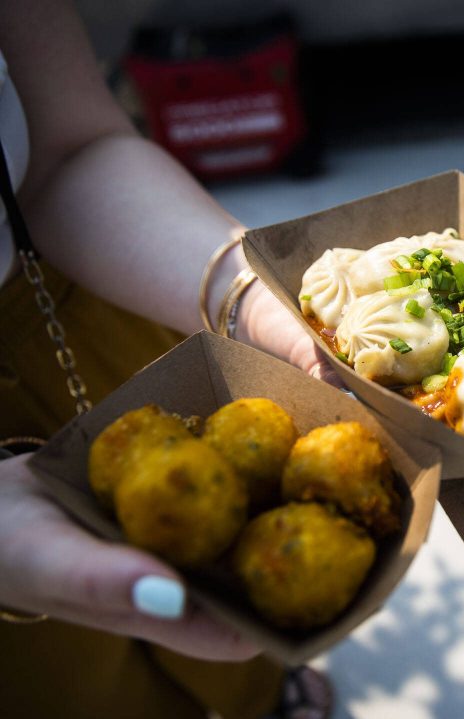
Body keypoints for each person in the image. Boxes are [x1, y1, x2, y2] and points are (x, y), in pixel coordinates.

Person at [0, 0, 338, 716]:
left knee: (239, 618)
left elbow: (68, 150)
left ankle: (267, 698)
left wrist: (247, 293)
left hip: (75, 308)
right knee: (70, 685)